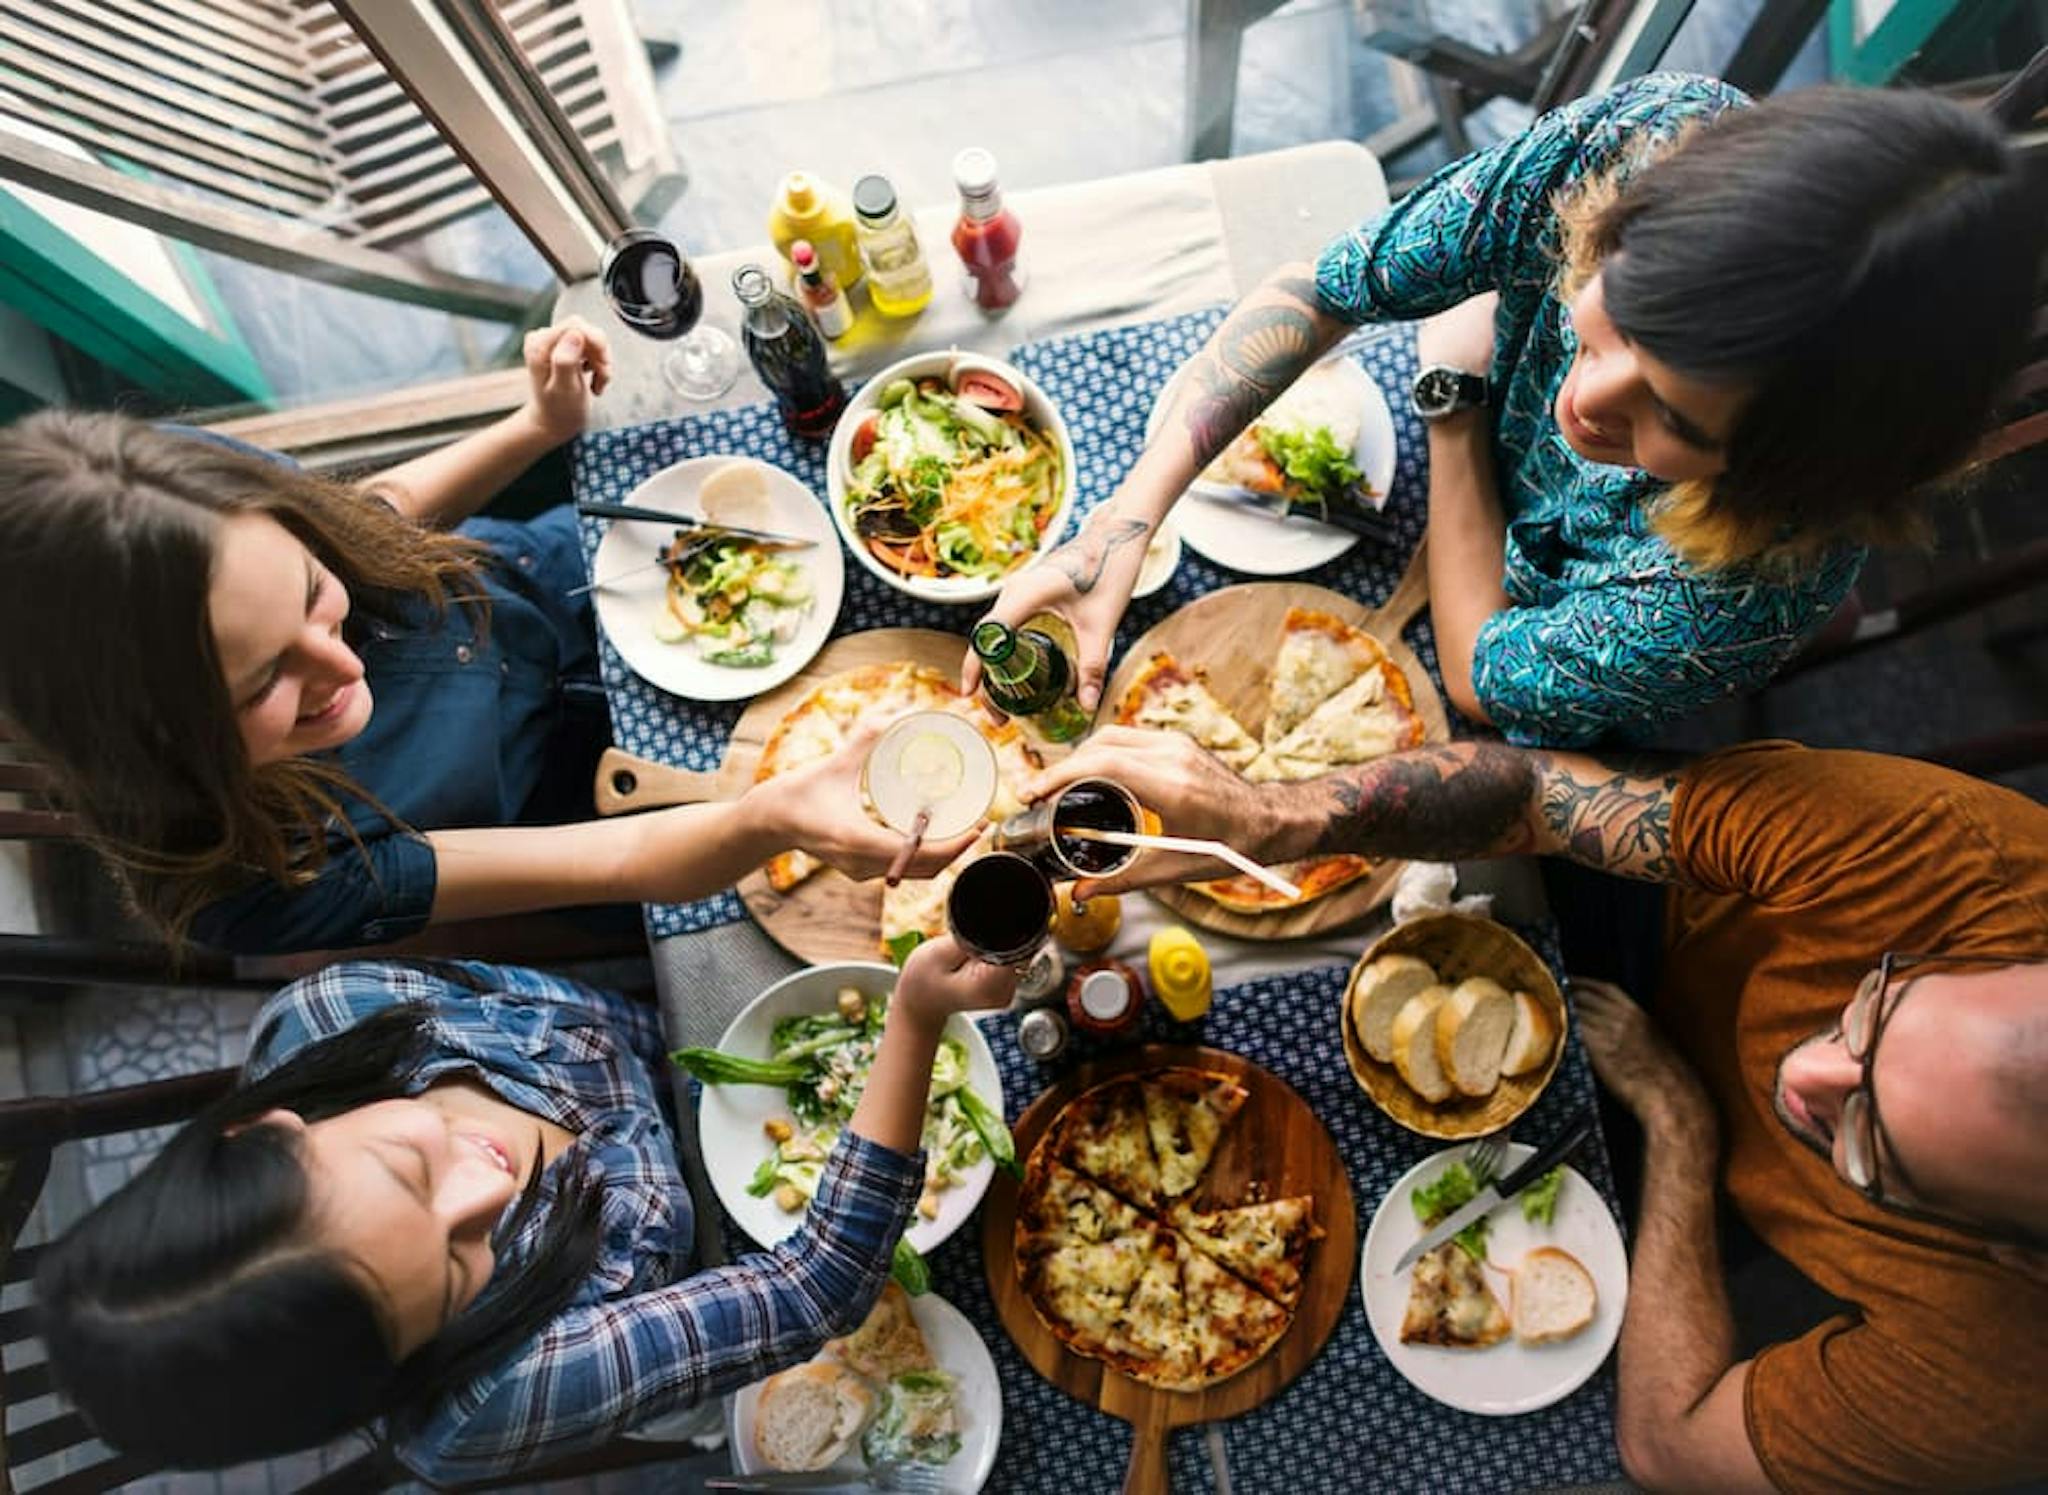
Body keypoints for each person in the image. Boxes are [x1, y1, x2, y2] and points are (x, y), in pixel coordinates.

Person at [1027, 728, 2048, 1491]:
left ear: (2018, 1254)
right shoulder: (1966, 866)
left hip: (1682, 1164)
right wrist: (1275, 816)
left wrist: (1682, 1127)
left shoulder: (1999, 1377)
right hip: (1653, 902)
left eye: (1867, 1141)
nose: (1805, 1073)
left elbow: (1666, 1446)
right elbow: (1529, 794)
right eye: (1875, 1010)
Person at [967, 66, 2047, 747]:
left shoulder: (1745, 593)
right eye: (1613, 310)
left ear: (1786, 475)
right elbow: (1322, 290)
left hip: (1499, 596)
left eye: (1673, 419)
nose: (1585, 398)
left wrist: (1448, 407)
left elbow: (1483, 669)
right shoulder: (1647, 137)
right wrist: (1127, 517)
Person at [0, 323, 974, 953]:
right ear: (154, 744)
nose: (337, 667)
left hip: (563, 585)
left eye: (310, 595)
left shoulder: (179, 497)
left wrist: (535, 424)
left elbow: (368, 520)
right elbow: (619, 867)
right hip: (575, 815)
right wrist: (773, 817)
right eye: (264, 681)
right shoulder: (246, 882)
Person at [33, 934, 1017, 1482]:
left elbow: (586, 1010)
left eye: (407, 1172)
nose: (493, 1184)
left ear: (271, 1134)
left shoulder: (335, 1010)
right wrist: (913, 1020)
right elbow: (811, 1291)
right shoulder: (479, 1402)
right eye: (463, 1264)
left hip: (697, 1065)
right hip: (726, 1276)